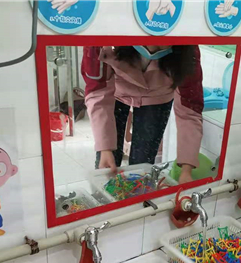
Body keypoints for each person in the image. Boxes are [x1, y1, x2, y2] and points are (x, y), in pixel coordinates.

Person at [81, 45, 204, 184]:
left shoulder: (188, 50)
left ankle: (138, 193)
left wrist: (186, 170)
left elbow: (190, 109)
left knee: (142, 165)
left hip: (158, 95)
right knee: (107, 164)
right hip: (115, 90)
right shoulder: (102, 41)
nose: (153, 48)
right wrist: (105, 148)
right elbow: (98, 93)